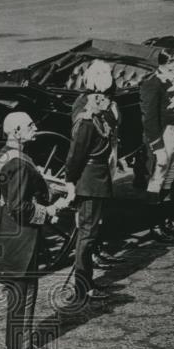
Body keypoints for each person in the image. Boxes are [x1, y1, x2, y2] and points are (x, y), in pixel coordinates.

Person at [0, 112, 70, 349]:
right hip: (22, 236)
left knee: (18, 291)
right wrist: (49, 211)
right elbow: (19, 207)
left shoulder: (4, 154)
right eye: (30, 125)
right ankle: (21, 344)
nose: (35, 127)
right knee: (25, 292)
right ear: (16, 132)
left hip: (9, 232)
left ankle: (14, 341)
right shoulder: (18, 164)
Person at [64, 60, 117, 304]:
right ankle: (82, 287)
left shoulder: (89, 106)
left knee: (89, 233)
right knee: (86, 236)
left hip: (96, 179)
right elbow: (77, 153)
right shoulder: (88, 117)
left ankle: (85, 282)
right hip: (90, 181)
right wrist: (70, 181)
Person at [140, 49, 174, 241]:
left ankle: (164, 222)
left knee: (169, 178)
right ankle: (154, 226)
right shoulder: (153, 84)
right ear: (167, 63)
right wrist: (158, 147)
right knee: (157, 179)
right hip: (163, 137)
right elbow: (149, 120)